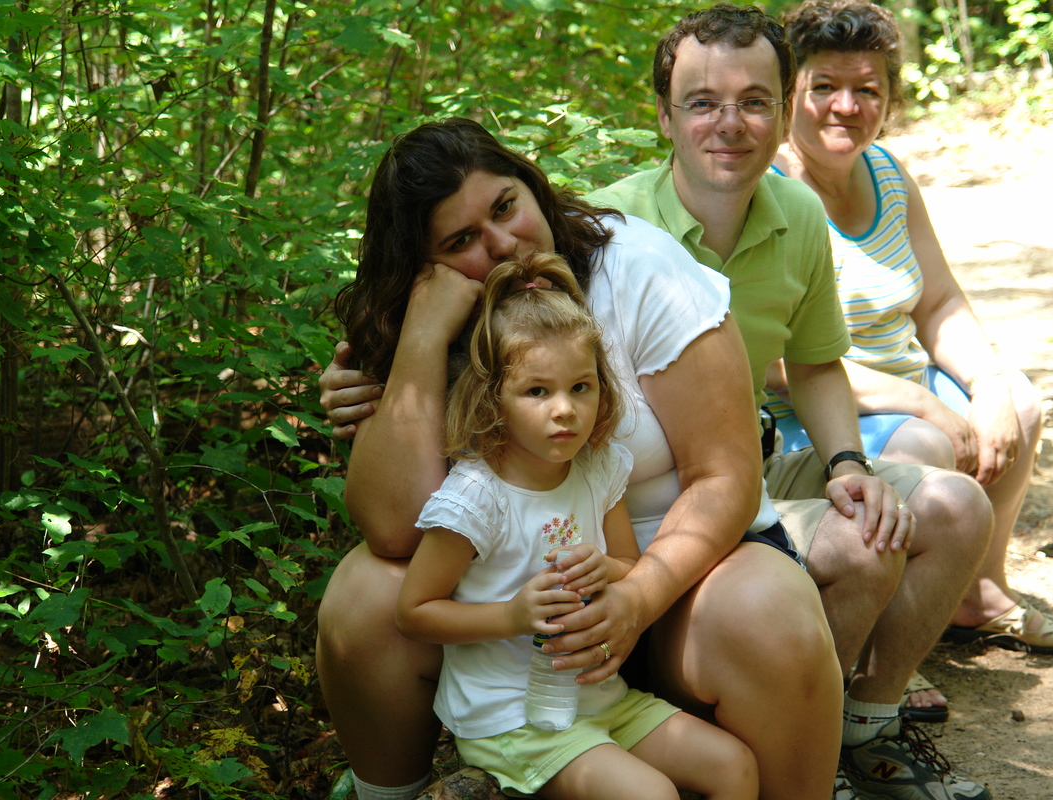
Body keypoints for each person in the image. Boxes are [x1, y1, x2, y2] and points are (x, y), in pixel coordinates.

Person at [316, 116, 845, 800]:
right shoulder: (435, 322)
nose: (503, 242)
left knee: (766, 610)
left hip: (688, 574)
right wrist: (418, 339)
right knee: (363, 596)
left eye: (506, 206)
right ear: (424, 264)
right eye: (461, 241)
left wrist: (634, 595)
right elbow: (392, 530)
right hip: (514, 622)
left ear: (532, 186)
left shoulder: (639, 270)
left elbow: (728, 478)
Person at [585, 5, 996, 799]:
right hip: (649, 502)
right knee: (864, 548)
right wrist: (371, 374)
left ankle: (860, 733)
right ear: (664, 116)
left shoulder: (798, 214)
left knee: (952, 507)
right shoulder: (607, 224)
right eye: (702, 102)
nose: (728, 123)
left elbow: (813, 365)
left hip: (759, 474)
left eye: (753, 101)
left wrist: (847, 463)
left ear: (782, 111)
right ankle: (783, 736)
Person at [767, 0, 1053, 717]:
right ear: (791, 89)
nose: (845, 106)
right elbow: (770, 360)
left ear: (890, 97)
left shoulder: (886, 173)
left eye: (868, 88)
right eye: (823, 86)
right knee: (927, 438)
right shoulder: (771, 190)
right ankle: (884, 651)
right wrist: (922, 401)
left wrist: (992, 383)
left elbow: (939, 304)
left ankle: (977, 590)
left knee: (1021, 403)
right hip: (815, 415)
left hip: (907, 384)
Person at [395, 251, 757, 800]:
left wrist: (606, 568)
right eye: (537, 391)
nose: (564, 409)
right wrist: (512, 615)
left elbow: (630, 567)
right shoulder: (476, 497)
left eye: (581, 387)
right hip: (513, 718)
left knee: (733, 766)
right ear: (493, 397)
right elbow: (415, 612)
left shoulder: (596, 469)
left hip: (599, 698)